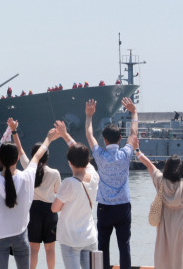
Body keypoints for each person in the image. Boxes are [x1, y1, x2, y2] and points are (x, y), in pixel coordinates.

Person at [0, 124, 60, 269]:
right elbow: (37, 157)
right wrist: (48, 139)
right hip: (20, 234)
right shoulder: (26, 177)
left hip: (0, 234)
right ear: (18, 158)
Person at [84, 98, 138, 269]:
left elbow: (89, 134)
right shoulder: (125, 154)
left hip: (105, 208)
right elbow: (134, 135)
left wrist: (89, 116)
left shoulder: (100, 155)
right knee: (124, 246)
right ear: (120, 138)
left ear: (104, 140)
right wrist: (134, 112)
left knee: (102, 246)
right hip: (123, 206)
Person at [12, 120, 61, 269]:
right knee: (50, 249)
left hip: (32, 211)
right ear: (47, 157)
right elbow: (56, 193)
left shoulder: (28, 168)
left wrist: (14, 131)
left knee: (33, 249)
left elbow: (20, 151)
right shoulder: (55, 173)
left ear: (34, 155)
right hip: (49, 211)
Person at [50, 121, 99, 269]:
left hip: (70, 239)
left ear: (70, 163)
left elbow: (54, 208)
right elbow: (77, 151)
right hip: (89, 237)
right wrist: (65, 135)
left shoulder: (68, 183)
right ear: (87, 160)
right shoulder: (94, 176)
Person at [134, 149, 183, 268]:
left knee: (163, 254)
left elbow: (149, 165)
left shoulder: (161, 181)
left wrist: (137, 151)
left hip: (164, 224)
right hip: (180, 225)